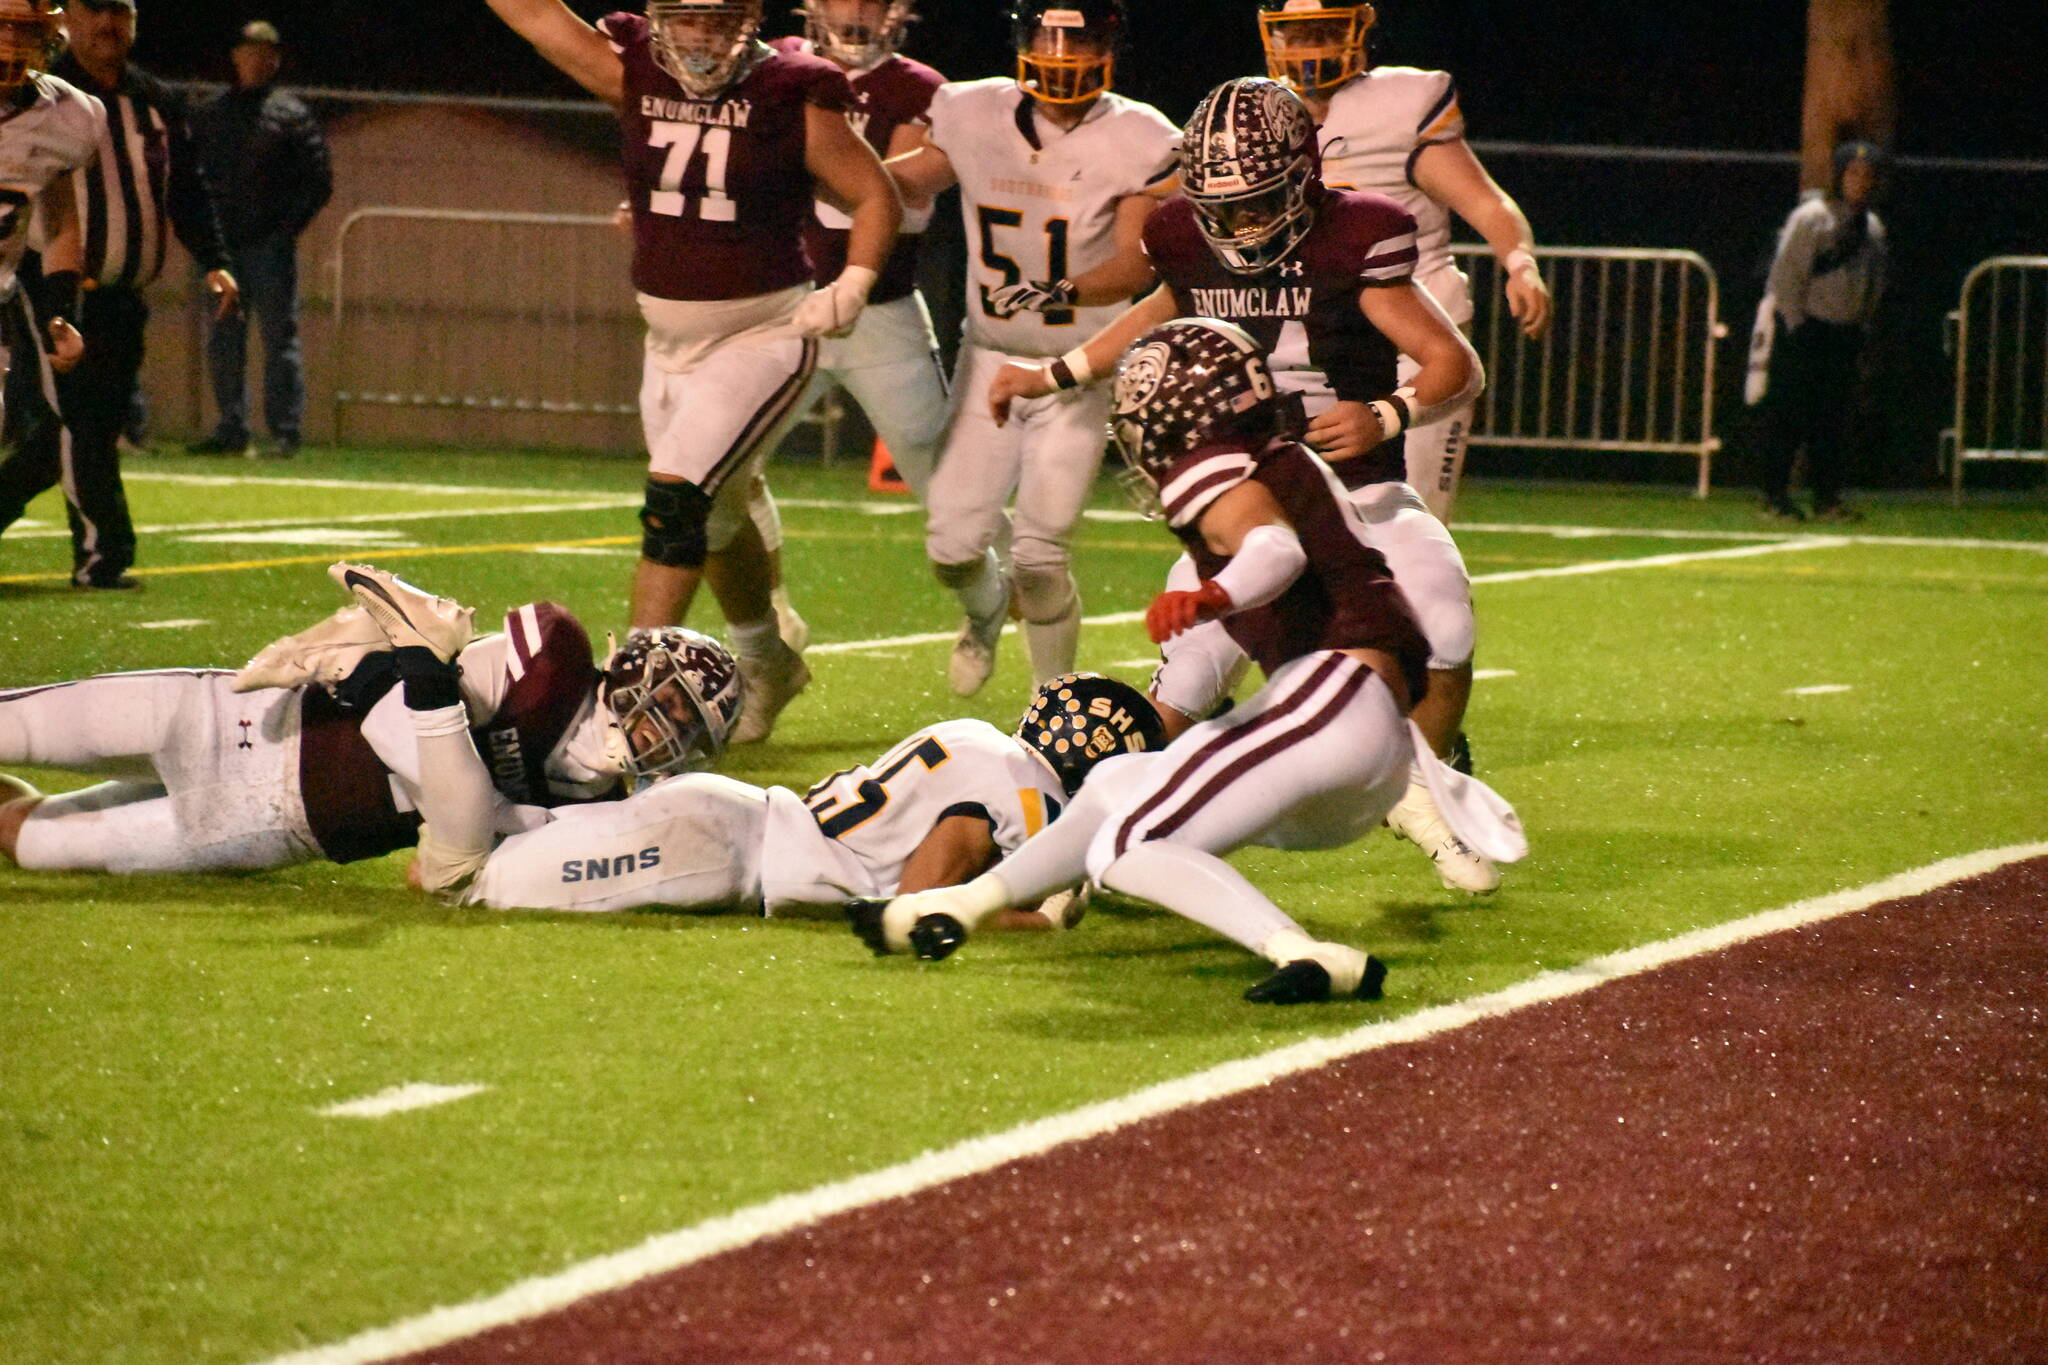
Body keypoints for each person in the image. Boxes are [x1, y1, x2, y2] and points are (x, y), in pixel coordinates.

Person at [848, 319, 1524, 1003]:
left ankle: (1310, 953)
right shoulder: (1275, 454)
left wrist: (1213, 594)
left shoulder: (1219, 465)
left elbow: (1274, 550)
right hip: (1358, 745)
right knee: (1116, 785)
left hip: (1336, 701)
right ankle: (955, 907)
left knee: (1129, 843)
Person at [989, 77, 1500, 895]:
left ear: (1304, 179)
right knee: (1183, 682)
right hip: (1243, 495)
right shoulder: (1181, 235)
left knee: (1444, 622)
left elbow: (1455, 366)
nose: (1235, 227)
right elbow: (1158, 310)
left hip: (1358, 490)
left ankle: (1422, 795)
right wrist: (1055, 370)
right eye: (1219, 208)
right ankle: (1103, 844)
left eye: (1257, 205)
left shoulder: (1356, 236)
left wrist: (1388, 412)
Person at [481, 0, 901, 747]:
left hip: (764, 330)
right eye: (687, 18)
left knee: (675, 499)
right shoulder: (638, 71)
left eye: (717, 20)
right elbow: (536, 16)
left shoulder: (789, 88)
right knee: (716, 524)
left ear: (749, 20)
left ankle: (626, 704)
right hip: (668, 341)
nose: (700, 36)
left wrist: (855, 282)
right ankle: (769, 661)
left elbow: (875, 194)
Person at [339, 561, 1165, 915]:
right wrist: (1039, 920)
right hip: (723, 848)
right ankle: (416, 670)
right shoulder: (1024, 790)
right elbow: (924, 898)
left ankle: (403, 682)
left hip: (731, 822)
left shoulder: (977, 740)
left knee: (479, 842)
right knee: (462, 881)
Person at [0, 571, 736, 874]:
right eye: (672, 700)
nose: (667, 727)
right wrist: (473, 809)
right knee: (15, 728)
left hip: (275, 825)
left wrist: (470, 807)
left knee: (33, 842)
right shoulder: (553, 659)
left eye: (690, 726)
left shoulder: (604, 804)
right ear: (638, 667)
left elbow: (467, 855)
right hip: (245, 718)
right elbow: (392, 725)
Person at [881, 0, 1179, 696]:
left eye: (1081, 40)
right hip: (988, 356)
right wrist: (817, 158)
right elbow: (906, 179)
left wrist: (1057, 291)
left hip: (1078, 365)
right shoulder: (972, 110)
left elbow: (1138, 265)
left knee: (1041, 555)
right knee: (951, 548)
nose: (1065, 53)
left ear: (1108, 46)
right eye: (1051, 36)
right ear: (1024, 37)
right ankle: (985, 609)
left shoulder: (1141, 135)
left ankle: (1056, 703)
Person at [1257, 0, 1551, 524]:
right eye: (1296, 33)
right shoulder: (1254, 113)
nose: (1308, 47)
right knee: (1303, 531)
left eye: (1322, 31)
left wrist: (1519, 259)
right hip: (1312, 344)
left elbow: (1482, 199)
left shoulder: (1402, 101)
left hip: (1415, 341)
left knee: (1408, 525)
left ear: (1357, 29)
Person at [0, 0, 235, 591]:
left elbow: (59, 213)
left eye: (23, 30)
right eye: (1, 27)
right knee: (61, 426)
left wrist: (59, 307)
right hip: (30, 290)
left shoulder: (76, 112)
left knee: (68, 428)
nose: (9, 43)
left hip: (77, 294)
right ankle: (105, 550)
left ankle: (104, 549)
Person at [748, 0, 949, 653]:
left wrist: (791, 171)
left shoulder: (921, 89)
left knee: (943, 487)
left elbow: (902, 185)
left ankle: (988, 602)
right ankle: (770, 608)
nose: (854, 10)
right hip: (781, 302)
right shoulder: (775, 63)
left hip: (880, 309)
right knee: (729, 462)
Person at [186, 20, 331, 460]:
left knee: (277, 339)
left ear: (275, 59)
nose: (255, 60)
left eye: (264, 52)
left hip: (267, 245)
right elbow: (192, 177)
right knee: (225, 338)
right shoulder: (212, 113)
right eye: (249, 51)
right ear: (236, 57)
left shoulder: (291, 115)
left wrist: (284, 231)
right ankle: (232, 429)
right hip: (224, 248)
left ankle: (284, 432)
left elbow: (318, 182)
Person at [1750, 140, 1888, 523]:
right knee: (1789, 415)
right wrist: (1796, 325)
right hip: (1807, 328)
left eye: (1867, 175)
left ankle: (1827, 498)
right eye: (1852, 173)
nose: (1859, 182)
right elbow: (1786, 276)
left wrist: (1864, 324)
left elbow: (1874, 281)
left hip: (1845, 333)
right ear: (1839, 176)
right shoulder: (1811, 218)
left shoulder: (1872, 227)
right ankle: (1773, 495)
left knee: (1833, 421)